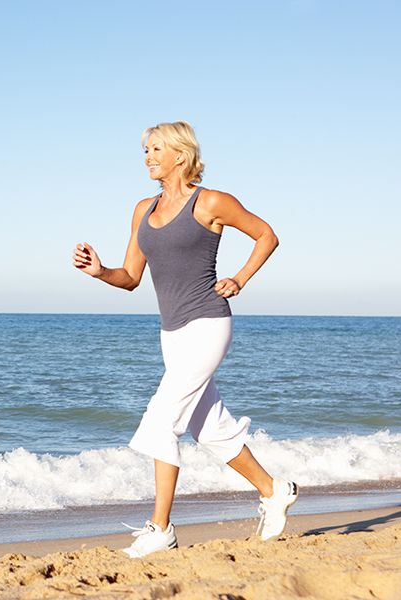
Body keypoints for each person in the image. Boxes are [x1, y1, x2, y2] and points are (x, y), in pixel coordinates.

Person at [71, 120, 298, 558]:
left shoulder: (211, 201)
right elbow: (131, 277)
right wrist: (100, 272)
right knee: (208, 429)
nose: (148, 157)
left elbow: (266, 235)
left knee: (161, 421)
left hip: (208, 323)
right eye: (145, 151)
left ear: (180, 153)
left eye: (156, 149)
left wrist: (240, 279)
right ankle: (274, 490)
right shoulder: (143, 209)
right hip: (171, 332)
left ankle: (161, 528)